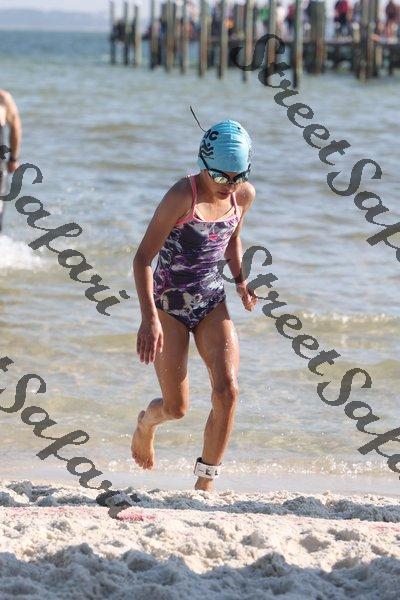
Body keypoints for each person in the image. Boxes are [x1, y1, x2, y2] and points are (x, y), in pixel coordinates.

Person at [131, 117, 257, 491]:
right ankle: (145, 424)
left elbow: (232, 239)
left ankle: (205, 484)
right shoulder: (181, 196)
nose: (228, 184)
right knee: (176, 408)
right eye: (220, 176)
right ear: (203, 164)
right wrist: (149, 319)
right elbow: (142, 259)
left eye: (237, 176)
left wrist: (241, 281)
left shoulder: (242, 195)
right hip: (168, 305)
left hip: (211, 301)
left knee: (228, 391)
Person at [0, 89, 21, 232]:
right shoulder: (3, 98)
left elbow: (15, 127)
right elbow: (15, 126)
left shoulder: (3, 98)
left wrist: (14, 158)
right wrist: (13, 158)